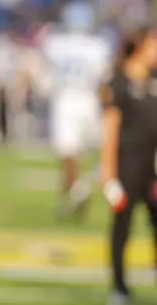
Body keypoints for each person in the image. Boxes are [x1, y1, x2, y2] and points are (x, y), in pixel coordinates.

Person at [38, 0, 113, 217]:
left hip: (65, 99)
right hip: (88, 99)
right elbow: (103, 79)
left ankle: (77, 189)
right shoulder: (97, 46)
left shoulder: (55, 43)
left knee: (68, 153)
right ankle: (77, 191)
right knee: (100, 149)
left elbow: (46, 76)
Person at [100, 27, 157, 305]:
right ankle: (119, 287)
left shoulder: (154, 80)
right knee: (123, 224)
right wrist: (109, 175)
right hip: (127, 166)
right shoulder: (119, 81)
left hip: (152, 166)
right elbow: (110, 130)